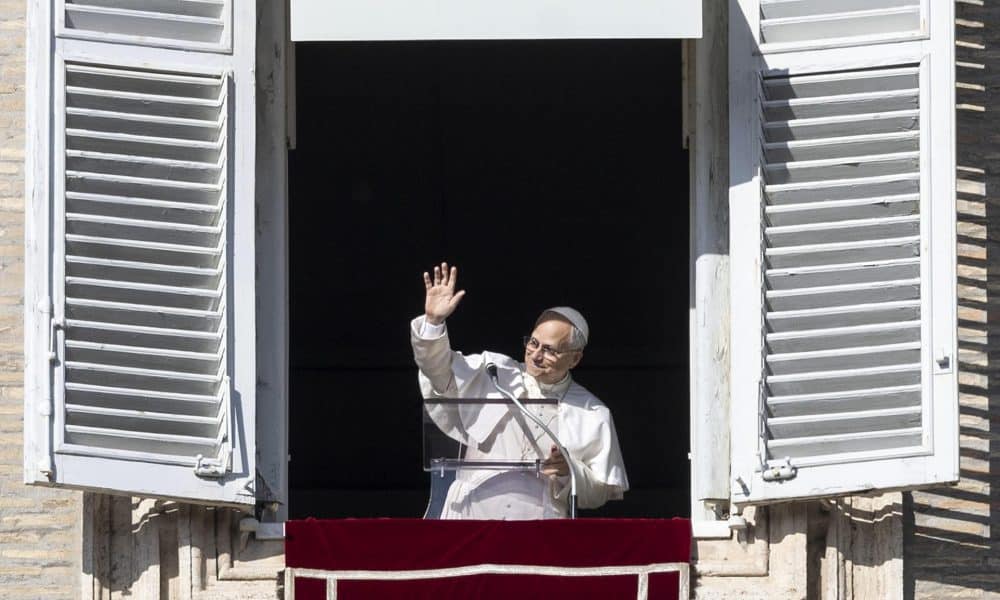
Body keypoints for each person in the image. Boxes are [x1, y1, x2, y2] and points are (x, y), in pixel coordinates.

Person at [412, 262, 628, 519]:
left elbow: (602, 490)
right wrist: (434, 323)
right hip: (470, 516)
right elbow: (438, 371)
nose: (535, 355)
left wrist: (570, 471)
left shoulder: (592, 411)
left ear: (575, 359)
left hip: (539, 529)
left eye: (549, 349)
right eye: (533, 343)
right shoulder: (494, 371)